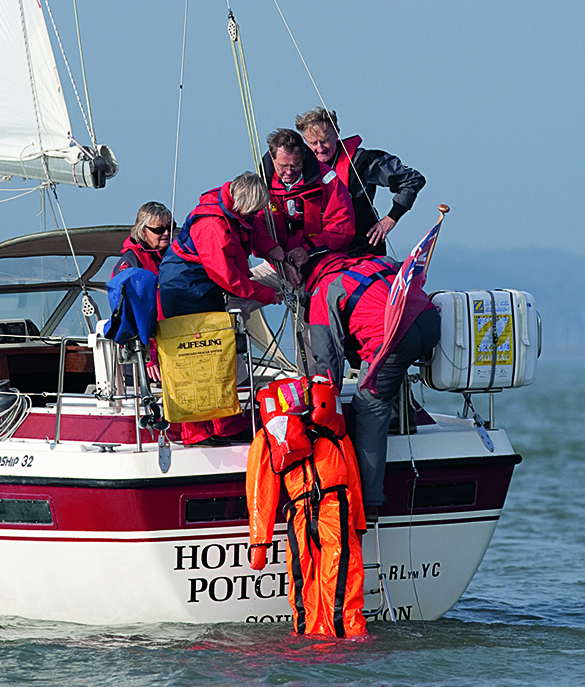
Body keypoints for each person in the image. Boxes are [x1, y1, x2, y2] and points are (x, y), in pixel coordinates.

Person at [307, 253, 440, 518]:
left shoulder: (325, 288)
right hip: (429, 322)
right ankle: (406, 415)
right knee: (389, 370)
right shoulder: (380, 262)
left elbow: (327, 355)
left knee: (368, 407)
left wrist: (323, 401)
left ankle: (368, 503)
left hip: (394, 337)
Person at [159, 173, 282, 444]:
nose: (254, 215)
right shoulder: (213, 225)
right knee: (195, 362)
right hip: (186, 290)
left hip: (202, 288)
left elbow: (253, 233)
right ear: (242, 204)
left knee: (217, 355)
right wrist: (266, 294)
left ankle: (225, 424)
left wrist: (273, 250)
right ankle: (196, 432)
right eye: (253, 210)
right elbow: (225, 276)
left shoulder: (232, 212)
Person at [247, 376, 367, 638]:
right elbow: (261, 489)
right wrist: (259, 542)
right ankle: (332, 641)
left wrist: (259, 543)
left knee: (336, 582)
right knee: (312, 585)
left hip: (325, 509)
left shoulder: (273, 435)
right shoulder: (332, 430)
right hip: (321, 510)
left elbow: (260, 490)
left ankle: (341, 639)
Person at [295, 108, 425, 256]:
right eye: (314, 143)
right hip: (317, 253)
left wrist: (391, 218)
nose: (320, 148)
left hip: (363, 252)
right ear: (305, 141)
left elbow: (412, 179)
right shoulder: (294, 169)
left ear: (336, 133)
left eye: (325, 141)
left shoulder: (363, 162)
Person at [255, 128, 355, 285]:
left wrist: (308, 250)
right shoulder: (261, 186)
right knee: (236, 296)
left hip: (321, 263)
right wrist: (274, 254)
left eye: (295, 165)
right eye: (282, 166)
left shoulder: (328, 181)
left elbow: (341, 228)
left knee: (330, 298)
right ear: (273, 160)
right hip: (277, 265)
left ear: (303, 159)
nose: (288, 172)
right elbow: (256, 228)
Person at [112, 201, 173, 380]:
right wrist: (149, 356)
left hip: (171, 342)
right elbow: (130, 315)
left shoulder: (171, 257)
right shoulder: (130, 264)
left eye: (170, 227)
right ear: (142, 230)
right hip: (144, 355)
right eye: (159, 230)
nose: (167, 233)